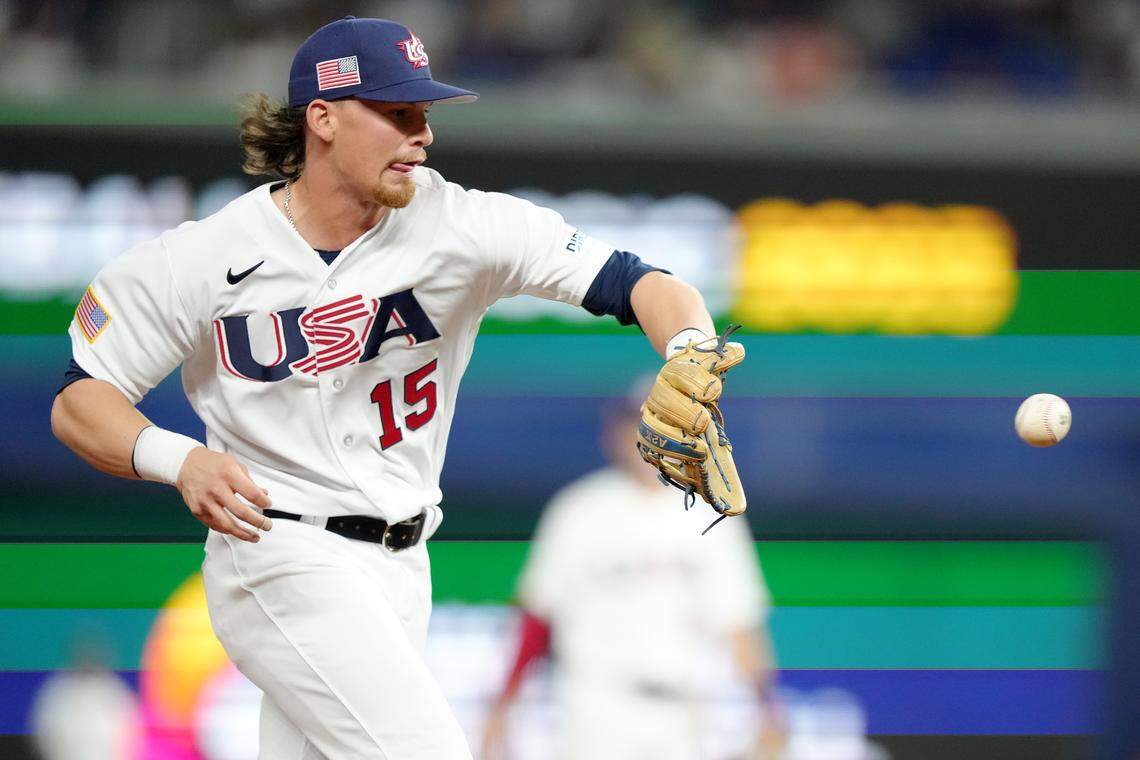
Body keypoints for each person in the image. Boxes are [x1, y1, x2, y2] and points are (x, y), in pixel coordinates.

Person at [51, 16, 725, 760]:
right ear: (323, 118)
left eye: (423, 114)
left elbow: (643, 283)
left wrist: (689, 348)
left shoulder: (463, 227)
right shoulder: (201, 258)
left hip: (402, 564)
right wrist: (179, 460)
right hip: (279, 550)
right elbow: (82, 399)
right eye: (397, 113)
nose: (422, 135)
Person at [480, 389, 778, 760]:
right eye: (641, 425)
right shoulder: (581, 509)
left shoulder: (711, 513)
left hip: (683, 708)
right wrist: (503, 706)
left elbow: (739, 623)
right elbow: (538, 618)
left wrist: (768, 709)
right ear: (615, 433)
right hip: (597, 702)